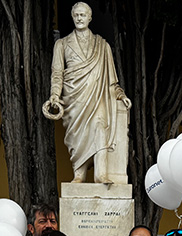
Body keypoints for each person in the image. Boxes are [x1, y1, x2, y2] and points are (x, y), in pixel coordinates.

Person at [48, 2, 131, 184]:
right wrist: (55, 95)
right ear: (72, 17)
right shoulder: (62, 44)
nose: (79, 18)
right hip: (74, 99)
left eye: (83, 15)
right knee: (78, 137)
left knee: (100, 126)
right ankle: (79, 175)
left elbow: (111, 80)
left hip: (98, 96)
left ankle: (100, 174)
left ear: (90, 18)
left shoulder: (103, 46)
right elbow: (57, 73)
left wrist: (120, 95)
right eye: (76, 15)